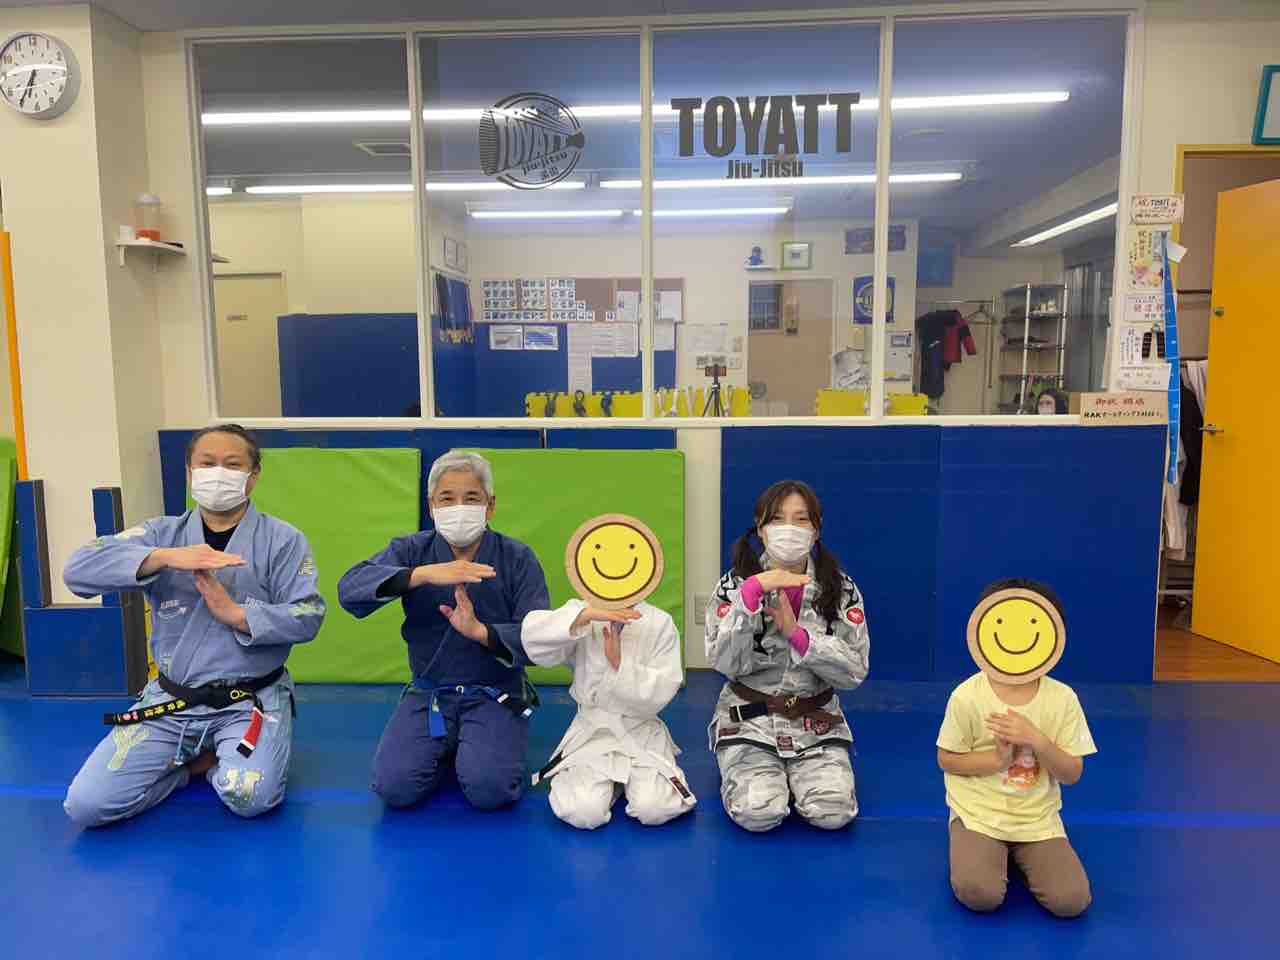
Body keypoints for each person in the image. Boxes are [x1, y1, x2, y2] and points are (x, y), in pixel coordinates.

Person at [63, 424, 325, 826]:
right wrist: (164, 558)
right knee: (87, 805)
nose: (218, 473)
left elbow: (308, 615)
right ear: (189, 472)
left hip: (247, 700)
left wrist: (237, 615)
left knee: (250, 795)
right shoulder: (161, 534)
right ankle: (193, 767)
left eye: (232, 464)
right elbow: (78, 570)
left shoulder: (283, 540)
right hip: (173, 700)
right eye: (207, 463)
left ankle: (233, 751)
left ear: (253, 475)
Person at [337, 450, 549, 811]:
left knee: (490, 790)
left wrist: (481, 632)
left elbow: (539, 639)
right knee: (394, 786)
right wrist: (420, 575)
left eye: (472, 498)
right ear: (432, 506)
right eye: (446, 499)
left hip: (494, 691)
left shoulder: (517, 557)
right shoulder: (412, 550)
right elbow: (350, 589)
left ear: (490, 506)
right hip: (431, 692)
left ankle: (478, 746)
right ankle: (450, 747)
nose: (458, 507)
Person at [705, 480, 869, 832]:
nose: (789, 529)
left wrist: (800, 637)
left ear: (816, 529)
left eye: (801, 519)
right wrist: (748, 601)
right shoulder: (735, 585)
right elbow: (723, 663)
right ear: (760, 528)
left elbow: (854, 671)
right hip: (749, 723)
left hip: (816, 724)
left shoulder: (840, 589)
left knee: (833, 813)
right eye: (777, 519)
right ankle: (753, 772)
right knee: (758, 813)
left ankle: (805, 777)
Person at [522, 513, 695, 829]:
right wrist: (581, 618)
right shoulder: (582, 613)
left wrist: (620, 666)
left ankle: (629, 783)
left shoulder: (659, 622)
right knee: (582, 812)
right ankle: (605, 784)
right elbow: (534, 643)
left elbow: (663, 689)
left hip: (640, 730)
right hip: (593, 729)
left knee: (654, 809)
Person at [937, 578, 1097, 918]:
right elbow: (946, 759)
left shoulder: (1063, 698)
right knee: (980, 894)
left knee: (1071, 900)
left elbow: (1072, 773)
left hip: (1036, 819)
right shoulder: (966, 696)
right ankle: (965, 834)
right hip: (979, 814)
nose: (1016, 636)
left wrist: (1037, 740)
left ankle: (1021, 854)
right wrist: (998, 759)